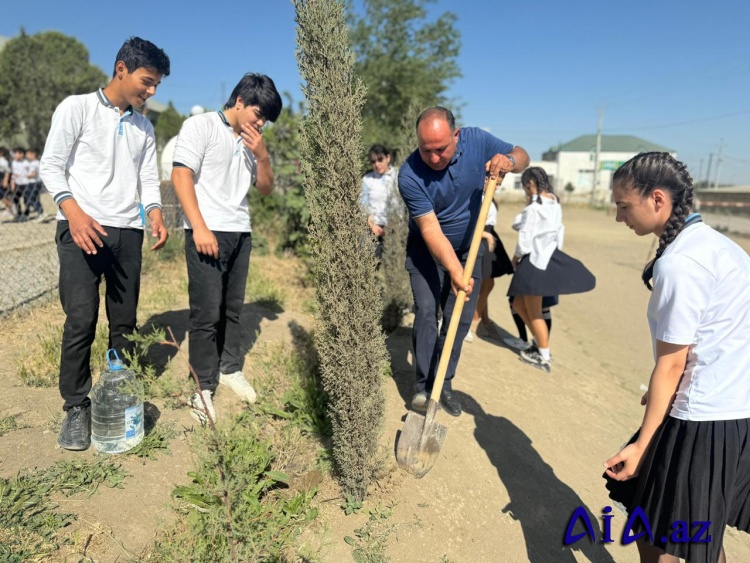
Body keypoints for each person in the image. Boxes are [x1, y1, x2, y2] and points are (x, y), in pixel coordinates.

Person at [603, 152, 750, 563]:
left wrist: (641, 445)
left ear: (656, 200)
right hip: (733, 411)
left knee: (676, 530)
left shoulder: (681, 263)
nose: (619, 217)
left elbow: (671, 364)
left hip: (703, 419)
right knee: (677, 526)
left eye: (623, 206)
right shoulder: (720, 246)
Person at [40, 36, 171, 451]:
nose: (150, 92)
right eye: (146, 82)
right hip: (80, 228)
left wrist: (153, 212)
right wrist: (73, 212)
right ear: (121, 69)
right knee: (80, 320)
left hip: (126, 233)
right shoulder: (76, 108)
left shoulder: (143, 126)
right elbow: (51, 165)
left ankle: (120, 399)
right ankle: (76, 407)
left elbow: (147, 179)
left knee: (124, 322)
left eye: (155, 86)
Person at [398, 106, 529, 416]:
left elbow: (522, 155)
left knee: (458, 319)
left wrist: (509, 161)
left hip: (470, 250)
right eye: (425, 149)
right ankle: (423, 389)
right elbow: (430, 230)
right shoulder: (409, 175)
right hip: (426, 253)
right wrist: (455, 272)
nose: (433, 158)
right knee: (427, 313)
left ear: (456, 135)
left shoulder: (478, 141)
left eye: (440, 149)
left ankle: (443, 383)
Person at [171, 73, 282, 425]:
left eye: (265, 118)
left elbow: (264, 189)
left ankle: (229, 368)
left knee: (233, 309)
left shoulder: (254, 142)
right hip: (206, 231)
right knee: (206, 313)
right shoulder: (200, 126)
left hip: (240, 232)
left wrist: (262, 156)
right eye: (258, 113)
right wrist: (199, 227)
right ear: (239, 101)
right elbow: (180, 176)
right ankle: (202, 388)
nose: (260, 122)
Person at [507, 167, 594, 373]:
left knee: (534, 311)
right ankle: (540, 343)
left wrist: (515, 259)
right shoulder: (554, 203)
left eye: (524, 187)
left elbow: (524, 238)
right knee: (519, 303)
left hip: (533, 261)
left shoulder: (533, 208)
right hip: (548, 257)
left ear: (529, 184)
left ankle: (544, 355)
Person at [465, 199, 514, 343]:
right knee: (485, 283)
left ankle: (483, 319)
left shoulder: (490, 196)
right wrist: (486, 235)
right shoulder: (479, 196)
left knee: (486, 281)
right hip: (483, 236)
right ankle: (474, 320)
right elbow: (471, 221)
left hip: (489, 235)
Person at [360, 144, 397, 261]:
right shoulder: (367, 180)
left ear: (388, 158)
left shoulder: (399, 175)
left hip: (395, 228)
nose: (377, 164)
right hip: (372, 229)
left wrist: (393, 226)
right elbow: (363, 205)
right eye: (373, 161)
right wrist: (373, 226)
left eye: (380, 159)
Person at [24, 148, 45, 219]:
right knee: (34, 198)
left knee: (32, 198)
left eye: (28, 154)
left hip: (33, 183)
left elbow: (33, 174)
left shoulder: (33, 163)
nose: (26, 156)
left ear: (33, 154)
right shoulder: (36, 162)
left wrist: (25, 176)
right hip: (36, 183)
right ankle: (40, 212)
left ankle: (41, 212)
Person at [10, 147, 29, 220]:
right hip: (17, 184)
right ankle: (19, 213)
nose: (15, 155)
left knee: (26, 199)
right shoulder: (14, 163)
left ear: (22, 154)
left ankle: (26, 214)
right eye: (14, 154)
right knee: (16, 199)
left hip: (26, 183)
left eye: (16, 154)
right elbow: (13, 174)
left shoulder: (26, 163)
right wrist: (12, 183)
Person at [0, 147, 12, 218]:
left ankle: (11, 207)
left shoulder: (3, 161)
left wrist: (5, 180)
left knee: (2, 195)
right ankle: (9, 208)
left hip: (2, 179)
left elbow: (8, 171)